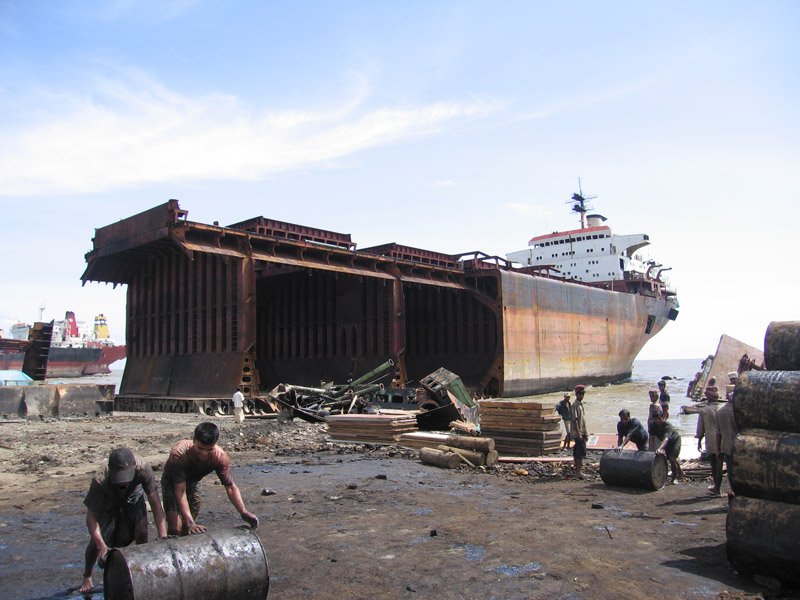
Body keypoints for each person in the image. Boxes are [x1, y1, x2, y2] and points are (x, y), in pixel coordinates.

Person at [80, 448, 167, 593]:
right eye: (119, 478)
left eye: (125, 477)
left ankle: (142, 568)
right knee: (97, 542)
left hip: (134, 495)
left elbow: (156, 505)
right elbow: (91, 518)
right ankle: (87, 576)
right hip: (108, 497)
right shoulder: (101, 479)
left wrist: (163, 535)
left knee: (141, 531)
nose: (123, 482)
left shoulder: (143, 469)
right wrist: (101, 545)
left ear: (133, 465)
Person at [161, 421, 259, 536]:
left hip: (193, 482)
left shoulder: (220, 457)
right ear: (194, 440)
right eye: (200, 448)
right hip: (172, 483)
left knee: (188, 527)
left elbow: (231, 487)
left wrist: (243, 511)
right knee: (175, 528)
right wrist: (190, 521)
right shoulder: (179, 454)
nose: (204, 454)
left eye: (209, 450)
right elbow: (180, 491)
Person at [696, 400, 722, 496]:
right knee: (720, 463)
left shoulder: (704, 410)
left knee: (713, 464)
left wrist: (699, 441)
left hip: (711, 440)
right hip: (722, 439)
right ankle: (718, 487)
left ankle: (716, 487)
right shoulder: (722, 408)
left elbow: (700, 429)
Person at [652, 409, 684, 484]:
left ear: (663, 417)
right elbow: (651, 438)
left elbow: (666, 439)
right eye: (655, 419)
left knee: (672, 458)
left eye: (659, 418)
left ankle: (674, 478)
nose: (657, 421)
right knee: (670, 458)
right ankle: (680, 473)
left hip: (674, 441)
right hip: (665, 442)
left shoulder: (667, 426)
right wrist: (652, 450)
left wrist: (660, 448)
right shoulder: (652, 425)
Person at [717, 392, 738, 493]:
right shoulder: (737, 411)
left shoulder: (720, 411)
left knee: (730, 470)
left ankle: (733, 489)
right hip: (738, 445)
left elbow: (718, 433)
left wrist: (717, 449)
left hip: (726, 445)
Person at [569, 385, 588, 479]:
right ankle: (578, 473)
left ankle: (578, 472)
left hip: (581, 432)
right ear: (576, 394)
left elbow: (583, 421)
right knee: (579, 453)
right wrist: (579, 433)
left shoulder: (580, 404)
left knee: (578, 452)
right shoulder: (575, 405)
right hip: (578, 433)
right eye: (580, 394)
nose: (582, 395)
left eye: (583, 393)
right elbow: (575, 420)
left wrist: (585, 432)